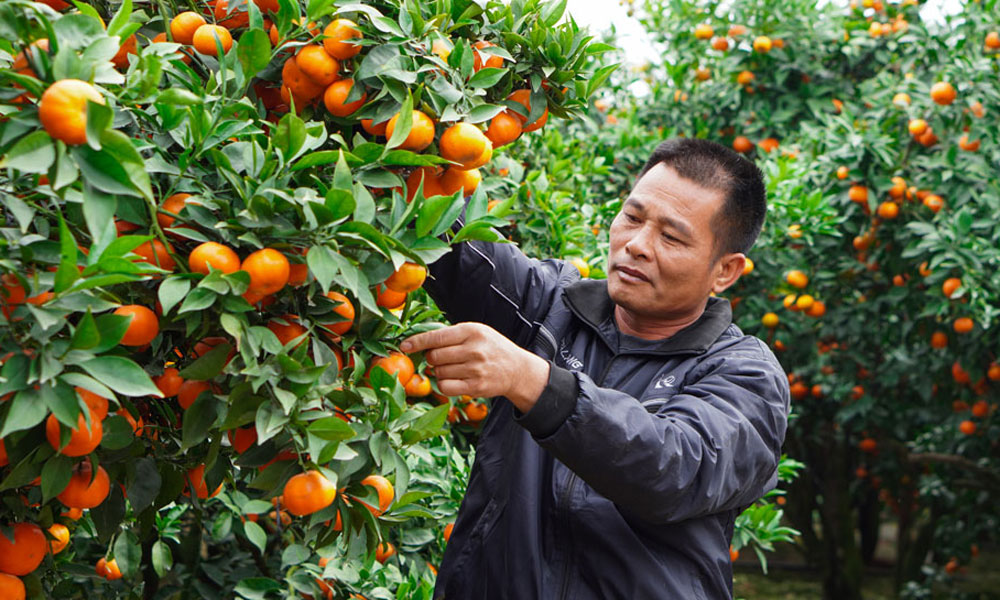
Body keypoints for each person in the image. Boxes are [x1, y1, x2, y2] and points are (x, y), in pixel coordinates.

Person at [400, 137, 790, 599]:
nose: (637, 245)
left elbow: (673, 467)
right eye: (632, 217)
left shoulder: (744, 375)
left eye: (671, 237)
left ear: (725, 270)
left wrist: (534, 382)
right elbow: (444, 231)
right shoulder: (547, 309)